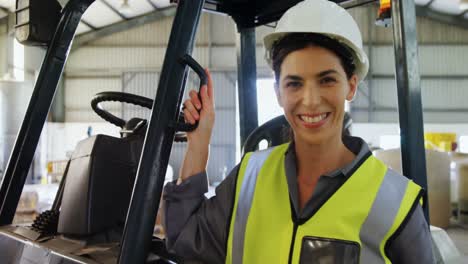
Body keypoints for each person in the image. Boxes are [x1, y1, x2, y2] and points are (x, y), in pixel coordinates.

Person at [162, 0, 434, 263]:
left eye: (327, 80)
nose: (311, 100)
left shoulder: (395, 205)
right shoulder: (249, 177)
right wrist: (199, 143)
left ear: (350, 86)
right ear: (278, 93)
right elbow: (188, 238)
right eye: (294, 84)